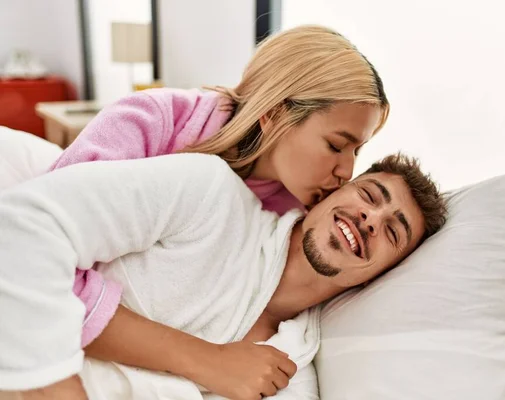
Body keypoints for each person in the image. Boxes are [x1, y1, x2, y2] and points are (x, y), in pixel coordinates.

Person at [43, 24, 389, 393]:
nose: (347, 171)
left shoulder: (291, 211)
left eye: (358, 151)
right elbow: (38, 258)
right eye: (337, 145)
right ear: (274, 113)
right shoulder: (150, 121)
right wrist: (205, 359)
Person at [0, 152, 446, 399]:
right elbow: (22, 225)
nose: (371, 219)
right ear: (326, 195)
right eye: (370, 195)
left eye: (393, 231)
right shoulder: (208, 195)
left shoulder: (292, 371)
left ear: (383, 275)